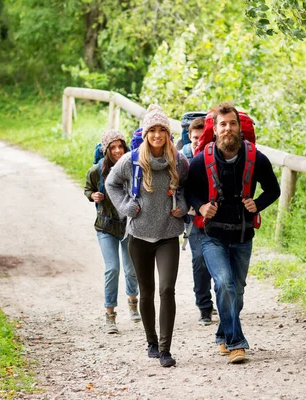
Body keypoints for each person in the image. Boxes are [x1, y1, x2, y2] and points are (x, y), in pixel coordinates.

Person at [185, 102, 280, 364]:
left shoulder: (256, 159)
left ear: (239, 128)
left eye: (232, 124)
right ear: (214, 130)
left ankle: (222, 333)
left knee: (236, 292)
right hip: (212, 236)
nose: (228, 128)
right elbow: (188, 191)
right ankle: (237, 343)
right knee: (225, 283)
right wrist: (201, 206)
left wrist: (257, 204)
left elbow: (274, 189)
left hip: (242, 236)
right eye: (223, 124)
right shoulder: (201, 160)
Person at [106, 104, 189, 368]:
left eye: (161, 130)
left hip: (168, 234)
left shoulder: (179, 160)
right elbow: (111, 183)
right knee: (147, 291)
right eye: (152, 130)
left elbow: (187, 188)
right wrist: (125, 206)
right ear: (145, 133)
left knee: (167, 289)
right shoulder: (131, 160)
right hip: (139, 236)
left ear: (167, 133)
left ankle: (165, 349)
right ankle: (151, 341)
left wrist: (183, 207)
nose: (156, 135)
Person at [84, 129, 142, 335]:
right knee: (112, 269)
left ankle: (133, 301)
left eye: (120, 146)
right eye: (113, 147)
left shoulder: (132, 167)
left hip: (127, 226)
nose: (118, 150)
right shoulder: (96, 170)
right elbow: (87, 189)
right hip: (106, 227)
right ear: (105, 150)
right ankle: (110, 316)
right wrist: (93, 195)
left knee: (131, 268)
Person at [180, 117, 214, 325]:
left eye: (202, 138)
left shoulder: (214, 156)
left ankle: (218, 300)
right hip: (193, 218)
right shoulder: (183, 157)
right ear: (189, 137)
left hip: (217, 216)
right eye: (194, 138)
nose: (198, 142)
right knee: (199, 260)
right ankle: (204, 306)